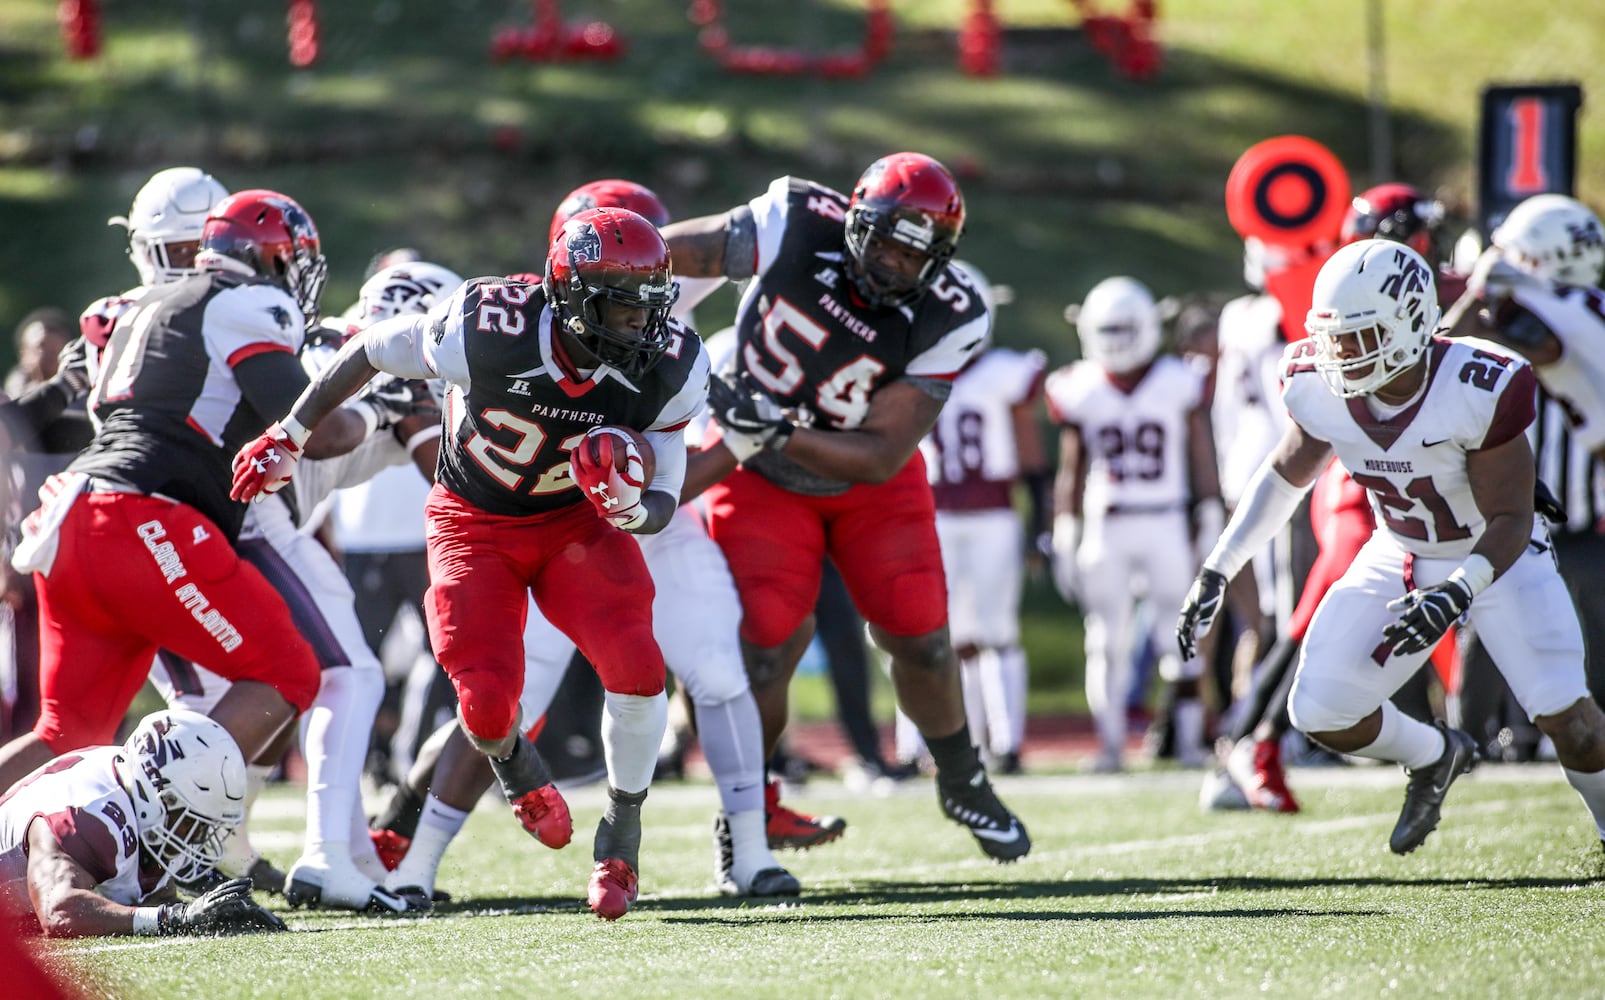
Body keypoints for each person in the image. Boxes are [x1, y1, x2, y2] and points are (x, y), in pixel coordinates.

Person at [232, 207, 709, 920]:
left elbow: (667, 479)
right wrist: (289, 433)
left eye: (650, 309)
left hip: (577, 523)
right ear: (572, 296)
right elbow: (367, 352)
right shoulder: (487, 327)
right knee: (484, 706)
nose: (644, 328)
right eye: (623, 307)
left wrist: (633, 510)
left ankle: (621, 835)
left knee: (638, 666)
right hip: (474, 524)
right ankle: (517, 766)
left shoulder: (673, 359)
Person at [370, 182, 797, 901]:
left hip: (631, 518)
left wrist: (664, 485)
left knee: (715, 674)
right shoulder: (509, 330)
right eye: (620, 284)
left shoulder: (674, 343)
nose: (642, 294)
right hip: (533, 520)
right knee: (496, 699)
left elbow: (670, 472)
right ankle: (416, 847)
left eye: (654, 264)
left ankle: (743, 851)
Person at [1178, 238, 1605, 856]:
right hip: (1400, 549)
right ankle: (1437, 755)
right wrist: (1219, 566)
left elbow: (1511, 516)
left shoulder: (1477, 382)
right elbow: (1284, 476)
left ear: (1409, 323)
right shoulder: (1317, 384)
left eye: (1358, 336)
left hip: (1500, 556)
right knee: (1320, 708)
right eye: (1332, 336)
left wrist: (1458, 591)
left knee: (1571, 724)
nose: (1339, 353)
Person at [663, 151, 1030, 862]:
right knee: (765, 647)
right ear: (857, 221)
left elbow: (880, 454)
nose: (894, 264)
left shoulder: (951, 312)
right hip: (758, 471)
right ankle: (751, 807)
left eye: (914, 253)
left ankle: (961, 778)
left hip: (862, 483)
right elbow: (670, 253)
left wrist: (775, 426)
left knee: (919, 630)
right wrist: (595, 276)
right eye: (886, 240)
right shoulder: (795, 221)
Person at [0, 189, 373, 794]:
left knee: (66, 733)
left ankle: (136, 835)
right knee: (287, 673)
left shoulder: (137, 304)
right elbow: (322, 433)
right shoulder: (246, 302)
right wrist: (374, 409)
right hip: (144, 517)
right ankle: (156, 840)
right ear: (275, 259)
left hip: (71, 516)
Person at [1047, 276, 1222, 772]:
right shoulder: (1080, 385)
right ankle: (1108, 747)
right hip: (1110, 522)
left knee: (1181, 634)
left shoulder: (1176, 380)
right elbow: (1072, 468)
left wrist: (1209, 513)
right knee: (1105, 639)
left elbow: (1200, 453)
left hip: (1164, 518)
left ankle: (1188, 743)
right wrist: (1066, 529)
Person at [906, 260, 1047, 775]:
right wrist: (1041, 525)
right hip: (963, 513)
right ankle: (981, 744)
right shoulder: (999, 370)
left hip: (966, 512)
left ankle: (995, 744)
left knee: (978, 633)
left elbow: (1030, 458)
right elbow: (1033, 461)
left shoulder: (915, 370)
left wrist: (1040, 527)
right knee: (957, 635)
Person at [0, 708, 284, 938]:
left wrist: (211, 914)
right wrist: (173, 918)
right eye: (191, 823)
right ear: (155, 795)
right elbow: (60, 910)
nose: (197, 838)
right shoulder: (86, 814)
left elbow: (148, 901)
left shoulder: (134, 793)